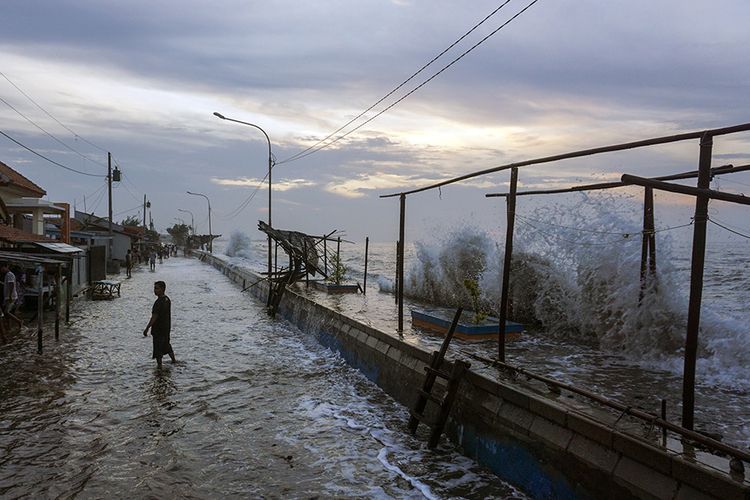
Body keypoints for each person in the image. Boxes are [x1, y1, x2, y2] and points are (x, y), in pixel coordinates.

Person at [143, 280, 176, 368]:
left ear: (162, 289)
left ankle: (159, 367)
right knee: (166, 345)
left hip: (158, 330)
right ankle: (174, 361)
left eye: (157, 288)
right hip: (166, 328)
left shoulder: (158, 303)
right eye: (154, 288)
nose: (154, 290)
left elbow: (154, 317)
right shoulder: (167, 299)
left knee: (158, 349)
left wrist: (147, 328)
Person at [1, 263, 23, 331]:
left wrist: (10, 295)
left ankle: (19, 321)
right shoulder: (8, 275)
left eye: (2, 268)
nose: (1, 270)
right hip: (8, 296)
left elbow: (11, 285)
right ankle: (9, 327)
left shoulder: (10, 274)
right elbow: (8, 284)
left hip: (11, 296)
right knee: (7, 312)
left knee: (6, 312)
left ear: (6, 267)